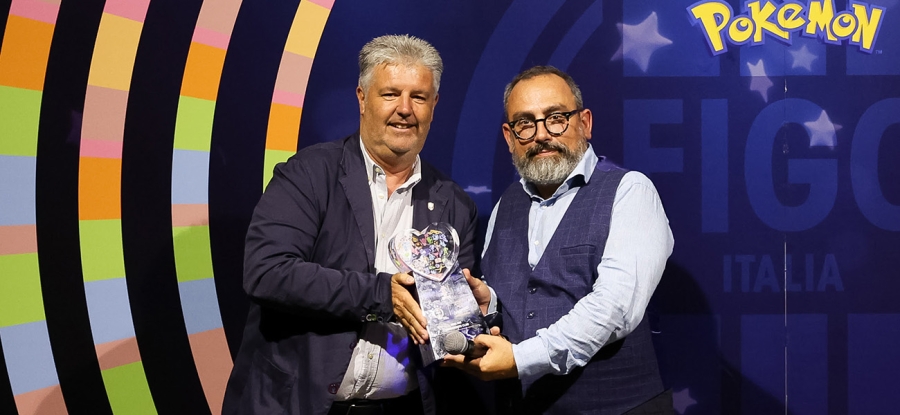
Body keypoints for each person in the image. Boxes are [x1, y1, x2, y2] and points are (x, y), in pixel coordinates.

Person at [221, 34, 479, 415]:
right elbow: (266, 272)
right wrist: (381, 295)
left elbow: (452, 330)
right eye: (390, 94)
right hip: (297, 405)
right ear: (362, 98)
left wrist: (474, 314)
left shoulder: (454, 204)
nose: (405, 109)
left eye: (419, 97)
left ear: (434, 105)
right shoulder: (309, 174)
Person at [444, 66, 674, 414]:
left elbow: (615, 308)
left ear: (585, 123)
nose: (541, 135)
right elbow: (519, 300)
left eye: (556, 118)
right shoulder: (507, 203)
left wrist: (520, 359)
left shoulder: (630, 191)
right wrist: (489, 302)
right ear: (509, 137)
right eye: (525, 123)